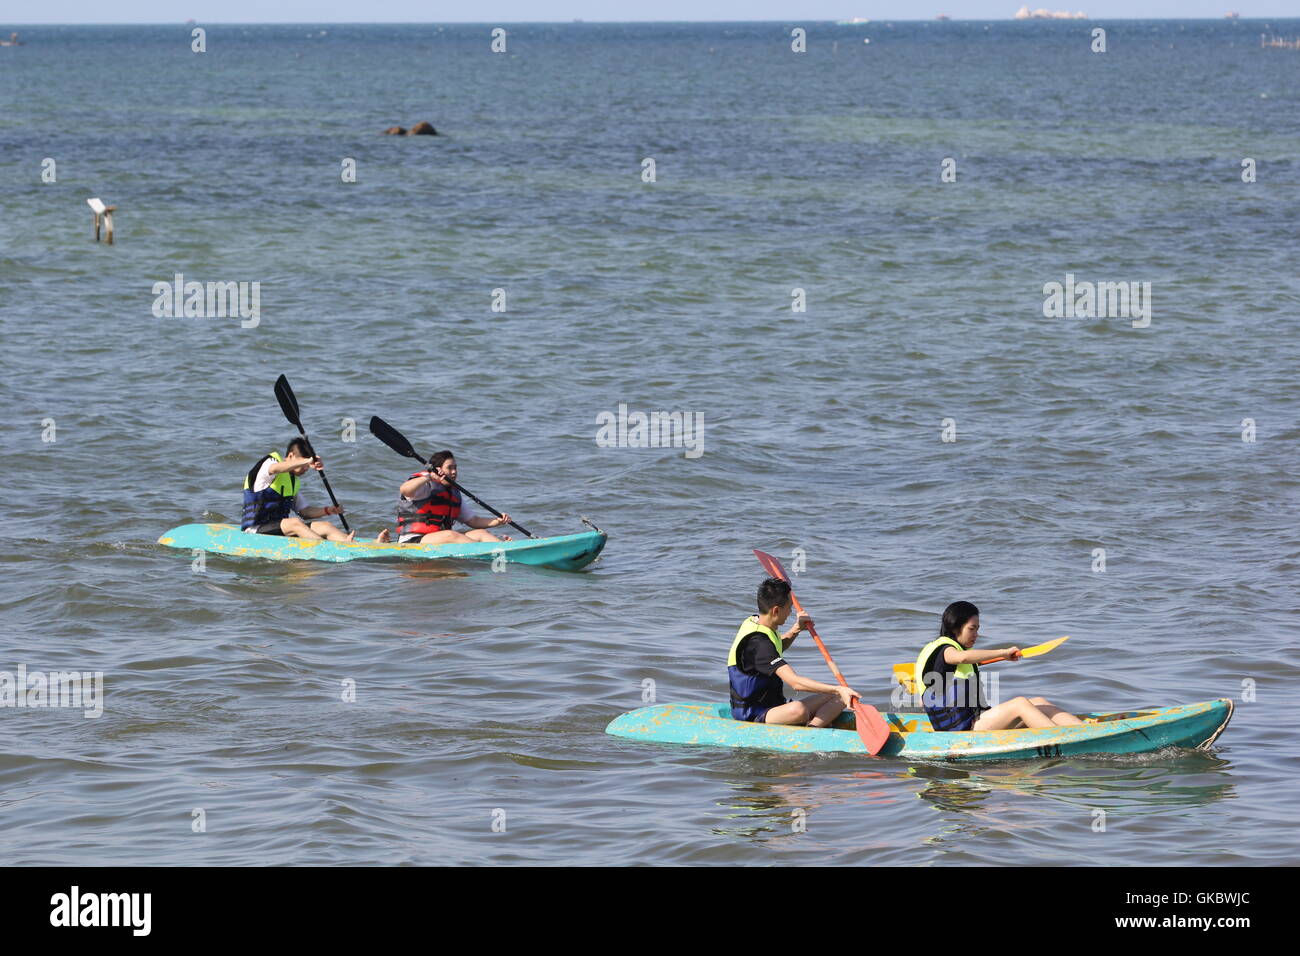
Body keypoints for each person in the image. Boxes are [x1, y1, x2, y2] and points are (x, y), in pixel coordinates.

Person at [915, 601, 1083, 731]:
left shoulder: (938, 652)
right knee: (1020, 703)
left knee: (1039, 702)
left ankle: (1083, 729)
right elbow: (963, 658)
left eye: (977, 629)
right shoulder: (946, 650)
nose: (976, 635)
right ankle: (1062, 739)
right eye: (972, 629)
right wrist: (1003, 653)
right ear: (955, 627)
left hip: (975, 719)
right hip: (961, 729)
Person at [727, 577, 860, 727]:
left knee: (842, 697)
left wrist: (796, 629)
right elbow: (795, 682)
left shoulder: (755, 621)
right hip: (753, 713)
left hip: (775, 706)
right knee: (799, 710)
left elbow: (776, 648)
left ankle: (813, 728)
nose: (790, 612)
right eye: (789, 608)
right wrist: (837, 688)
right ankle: (811, 728)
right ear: (776, 610)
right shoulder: (759, 644)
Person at [240, 438, 368, 542]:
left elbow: (304, 512)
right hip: (255, 529)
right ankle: (331, 550)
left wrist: (329, 510)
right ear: (291, 455)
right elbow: (275, 468)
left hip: (280, 530)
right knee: (295, 523)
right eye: (304, 462)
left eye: (307, 464)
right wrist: (307, 461)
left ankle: (354, 545)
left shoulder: (292, 481)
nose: (306, 467)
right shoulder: (270, 463)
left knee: (325, 526)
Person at [393, 450, 512, 544]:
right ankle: (489, 552)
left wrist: (498, 521)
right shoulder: (425, 485)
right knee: (451, 534)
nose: (454, 471)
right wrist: (429, 477)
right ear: (438, 470)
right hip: (413, 541)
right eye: (450, 468)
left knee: (480, 533)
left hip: (441, 539)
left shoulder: (453, 493)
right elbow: (404, 490)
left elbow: (474, 521)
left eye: (455, 467)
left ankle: (504, 549)